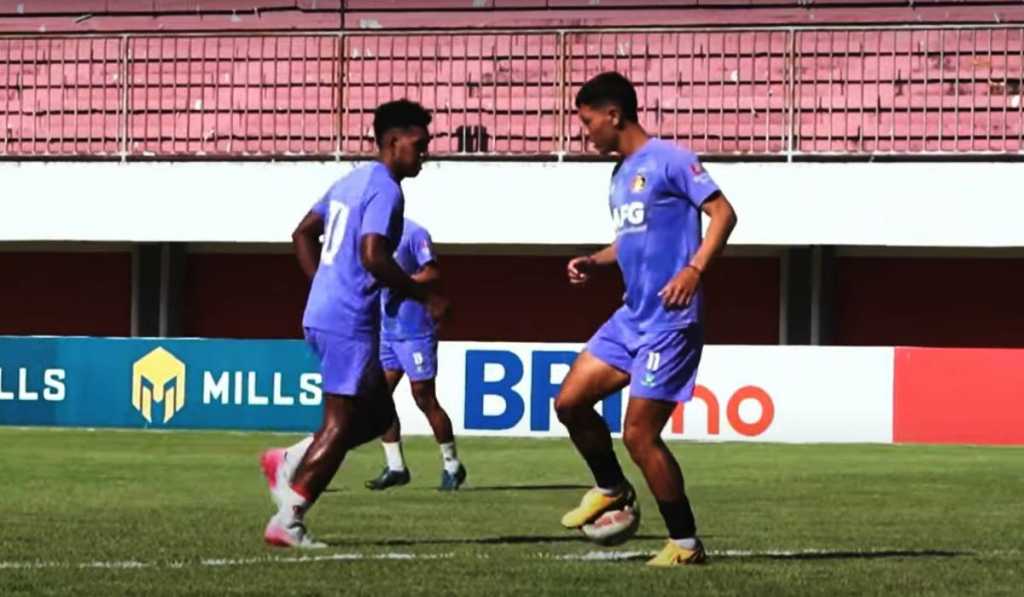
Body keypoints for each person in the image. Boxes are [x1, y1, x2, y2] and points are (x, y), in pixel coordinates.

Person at [555, 72, 738, 567]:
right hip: (630, 317)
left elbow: (724, 214)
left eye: (588, 122)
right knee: (569, 403)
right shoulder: (618, 176)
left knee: (639, 433)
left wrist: (694, 270)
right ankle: (612, 488)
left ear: (613, 115)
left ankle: (685, 544)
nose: (585, 132)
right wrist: (596, 260)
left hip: (671, 321)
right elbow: (631, 240)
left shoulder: (672, 161)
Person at [259, 99, 446, 548]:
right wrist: (421, 292)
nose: (425, 153)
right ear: (393, 142)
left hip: (324, 311)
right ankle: (290, 517)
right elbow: (372, 254)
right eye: (419, 144)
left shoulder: (349, 180)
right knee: (343, 424)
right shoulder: (385, 188)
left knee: (377, 416)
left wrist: (323, 282)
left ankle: (289, 457)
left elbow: (302, 232)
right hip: (349, 318)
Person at [365, 218, 467, 492]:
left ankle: (452, 465)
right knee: (378, 399)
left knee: (424, 397)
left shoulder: (413, 233)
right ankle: (396, 466)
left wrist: (401, 282)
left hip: (416, 330)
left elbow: (432, 273)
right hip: (388, 330)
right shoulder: (372, 236)